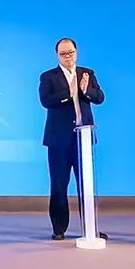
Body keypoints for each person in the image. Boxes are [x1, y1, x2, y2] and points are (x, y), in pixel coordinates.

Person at [38, 38, 106, 241]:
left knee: (86, 186)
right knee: (59, 185)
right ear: (57, 55)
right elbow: (46, 101)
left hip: (83, 139)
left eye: (71, 53)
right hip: (58, 140)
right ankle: (59, 228)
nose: (68, 57)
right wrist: (70, 92)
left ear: (76, 52)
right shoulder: (48, 76)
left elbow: (100, 98)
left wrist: (85, 90)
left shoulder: (87, 73)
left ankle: (90, 228)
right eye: (63, 54)